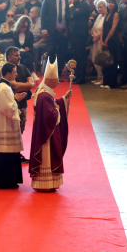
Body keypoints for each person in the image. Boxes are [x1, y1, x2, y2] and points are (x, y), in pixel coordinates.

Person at [29, 58, 71, 192]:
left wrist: (63, 99)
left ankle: (50, 182)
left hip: (46, 133)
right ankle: (45, 183)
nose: (58, 82)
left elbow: (52, 106)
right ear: (49, 80)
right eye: (56, 80)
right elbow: (50, 116)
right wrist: (59, 109)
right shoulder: (43, 95)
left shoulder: (46, 94)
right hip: (45, 136)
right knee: (47, 157)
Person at [0, 63, 26, 189]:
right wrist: (16, 101)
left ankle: (1, 178)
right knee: (7, 152)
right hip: (5, 125)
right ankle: (6, 180)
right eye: (14, 72)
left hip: (4, 123)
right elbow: (7, 108)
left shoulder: (3, 85)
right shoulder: (3, 87)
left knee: (5, 153)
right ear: (8, 73)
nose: (16, 74)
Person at [5, 47, 35, 162]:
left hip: (23, 105)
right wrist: (25, 85)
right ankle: (9, 154)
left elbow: (31, 83)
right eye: (16, 55)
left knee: (20, 129)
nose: (19, 57)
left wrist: (21, 85)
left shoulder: (23, 68)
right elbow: (14, 85)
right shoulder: (5, 69)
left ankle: (17, 152)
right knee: (10, 130)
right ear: (9, 57)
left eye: (19, 55)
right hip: (10, 105)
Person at [40, 0, 70, 74]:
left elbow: (72, 16)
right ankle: (51, 72)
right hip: (51, 31)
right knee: (51, 51)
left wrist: (68, 30)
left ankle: (59, 72)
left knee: (62, 52)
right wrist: (44, 29)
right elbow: (43, 15)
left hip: (64, 32)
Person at [67, 0, 91, 84]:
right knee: (75, 56)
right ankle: (76, 74)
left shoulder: (84, 5)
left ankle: (82, 77)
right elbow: (70, 16)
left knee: (81, 56)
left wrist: (71, 6)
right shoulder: (77, 5)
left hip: (80, 35)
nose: (72, 0)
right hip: (74, 34)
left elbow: (74, 14)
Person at [101, 0, 119, 89]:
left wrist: (107, 40)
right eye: (109, 3)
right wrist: (101, 40)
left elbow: (113, 28)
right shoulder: (107, 14)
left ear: (115, 5)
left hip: (112, 40)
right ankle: (106, 81)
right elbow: (103, 28)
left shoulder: (115, 14)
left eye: (112, 3)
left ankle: (112, 83)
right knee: (105, 61)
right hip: (104, 40)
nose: (110, 4)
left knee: (112, 61)